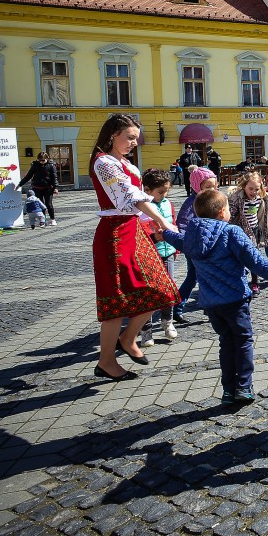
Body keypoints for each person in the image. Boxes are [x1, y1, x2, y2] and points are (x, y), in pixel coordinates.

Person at [161, 188, 268, 406]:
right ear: (221, 212)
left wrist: (163, 234)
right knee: (243, 341)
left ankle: (228, 390)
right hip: (235, 299)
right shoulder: (231, 232)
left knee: (226, 343)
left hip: (211, 303)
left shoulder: (192, 234)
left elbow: (179, 241)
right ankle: (244, 386)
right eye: (228, 208)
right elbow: (255, 261)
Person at [89, 113, 177, 382]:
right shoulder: (104, 162)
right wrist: (161, 220)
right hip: (114, 233)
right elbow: (130, 197)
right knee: (116, 300)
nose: (133, 143)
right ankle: (106, 361)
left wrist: (155, 227)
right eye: (129, 137)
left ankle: (127, 338)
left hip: (133, 230)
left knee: (162, 290)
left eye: (135, 139)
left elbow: (136, 202)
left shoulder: (123, 162)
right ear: (112, 134)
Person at [140, 168, 179, 343]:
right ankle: (146, 330)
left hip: (167, 252)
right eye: (160, 192)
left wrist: (176, 248)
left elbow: (174, 224)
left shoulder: (167, 204)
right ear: (147, 190)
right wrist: (154, 238)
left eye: (166, 192)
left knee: (168, 290)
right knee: (148, 293)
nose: (164, 195)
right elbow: (139, 235)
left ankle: (167, 322)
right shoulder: (141, 208)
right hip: (149, 255)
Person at [175, 167, 218, 322]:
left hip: (210, 247)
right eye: (207, 187)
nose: (211, 190)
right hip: (195, 249)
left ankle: (208, 308)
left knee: (203, 277)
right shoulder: (191, 203)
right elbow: (183, 225)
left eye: (214, 186)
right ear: (196, 186)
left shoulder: (214, 199)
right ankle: (178, 306)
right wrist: (189, 244)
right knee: (194, 278)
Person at [227, 171, 268, 295]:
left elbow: (261, 214)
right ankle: (241, 281)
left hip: (254, 231)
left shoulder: (260, 199)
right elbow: (230, 215)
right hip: (240, 232)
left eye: (256, 189)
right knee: (239, 258)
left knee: (253, 258)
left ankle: (255, 282)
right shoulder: (237, 199)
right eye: (250, 189)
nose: (253, 192)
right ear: (244, 186)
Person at [18, 151, 59, 226]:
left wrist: (55, 187)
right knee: (40, 204)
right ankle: (43, 220)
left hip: (48, 188)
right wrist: (20, 184)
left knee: (48, 204)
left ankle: (53, 219)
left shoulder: (51, 165)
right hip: (37, 187)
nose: (42, 162)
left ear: (47, 158)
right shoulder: (35, 165)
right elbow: (28, 176)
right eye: (40, 160)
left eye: (43, 160)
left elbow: (54, 177)